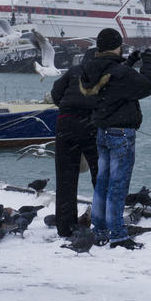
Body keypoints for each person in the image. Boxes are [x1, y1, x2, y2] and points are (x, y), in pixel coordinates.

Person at [79, 28, 151, 250]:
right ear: (116, 46)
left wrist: (129, 63)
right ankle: (118, 235)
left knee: (102, 183)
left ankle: (101, 230)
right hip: (121, 133)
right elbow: (146, 85)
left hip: (102, 132)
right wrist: (148, 62)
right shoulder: (117, 72)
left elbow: (112, 83)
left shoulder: (92, 68)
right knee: (118, 185)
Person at [50, 47, 99, 238]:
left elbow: (56, 93)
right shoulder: (104, 73)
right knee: (100, 175)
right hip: (91, 125)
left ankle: (65, 226)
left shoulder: (73, 71)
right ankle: (101, 220)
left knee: (65, 178)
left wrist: (68, 106)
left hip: (66, 123)